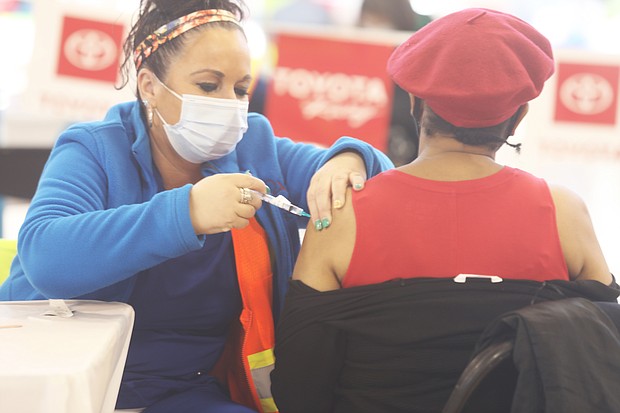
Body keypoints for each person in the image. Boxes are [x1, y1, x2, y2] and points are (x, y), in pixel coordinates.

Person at [0, 1, 393, 412]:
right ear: (149, 86)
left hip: (183, 393)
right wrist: (186, 213)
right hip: (62, 386)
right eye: (209, 86)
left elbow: (375, 181)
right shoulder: (94, 149)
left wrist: (351, 158)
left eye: (241, 89)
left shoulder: (253, 147)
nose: (230, 104)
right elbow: (46, 257)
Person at [271, 8, 619, 412]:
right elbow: (601, 357)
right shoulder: (564, 213)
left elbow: (297, 388)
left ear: (415, 102)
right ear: (518, 116)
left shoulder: (341, 216)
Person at [357, 0, 432, 167]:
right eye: (370, 18)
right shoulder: (358, 59)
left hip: (405, 158)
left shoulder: (417, 55)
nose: (374, 26)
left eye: (380, 19)